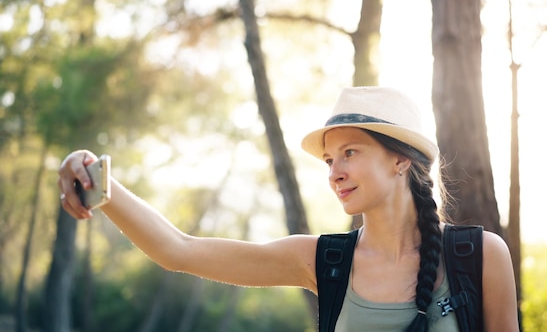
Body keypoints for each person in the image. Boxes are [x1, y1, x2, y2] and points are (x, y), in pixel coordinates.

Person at [58, 86, 519, 331]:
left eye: (350, 153)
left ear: (400, 159)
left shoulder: (479, 256)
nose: (334, 172)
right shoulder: (322, 262)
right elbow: (179, 250)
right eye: (329, 159)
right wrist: (100, 182)